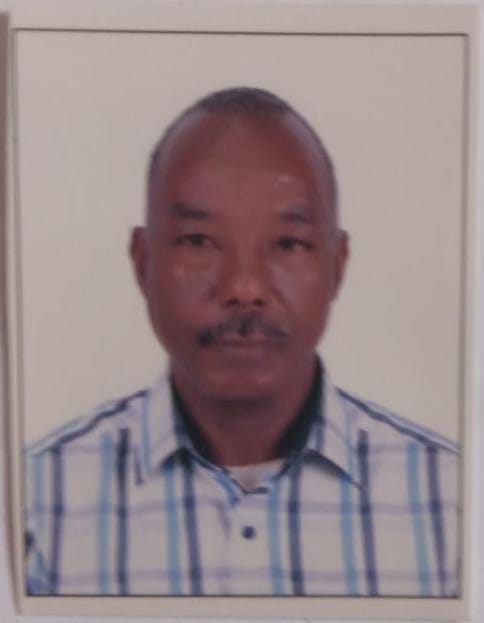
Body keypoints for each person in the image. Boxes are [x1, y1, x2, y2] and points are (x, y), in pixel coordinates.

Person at [24, 87, 459, 597]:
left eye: (288, 243)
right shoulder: (36, 506)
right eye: (198, 241)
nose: (244, 287)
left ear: (338, 265)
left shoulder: (452, 504)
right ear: (143, 261)